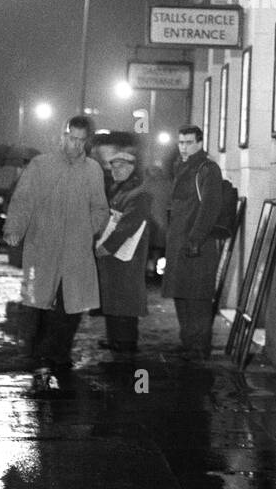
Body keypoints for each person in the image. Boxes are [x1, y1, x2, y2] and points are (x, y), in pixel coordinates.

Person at [3, 115, 108, 387]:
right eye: (70, 137)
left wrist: (89, 228)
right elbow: (23, 199)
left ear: (87, 142)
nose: (74, 144)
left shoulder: (93, 170)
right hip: (43, 247)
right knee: (39, 304)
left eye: (80, 140)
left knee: (70, 306)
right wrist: (14, 228)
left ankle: (59, 354)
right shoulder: (41, 165)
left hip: (75, 250)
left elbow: (100, 207)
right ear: (63, 135)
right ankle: (41, 357)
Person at [163, 125, 224, 361]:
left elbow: (210, 206)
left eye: (189, 142)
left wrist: (196, 238)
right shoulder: (182, 167)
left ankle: (200, 345)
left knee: (197, 297)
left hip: (197, 243)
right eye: (181, 142)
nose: (184, 147)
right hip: (180, 242)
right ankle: (188, 342)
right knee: (182, 294)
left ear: (199, 143)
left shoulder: (207, 169)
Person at [94, 149, 150, 352]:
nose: (115, 171)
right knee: (114, 298)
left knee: (125, 300)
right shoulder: (119, 190)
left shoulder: (138, 194)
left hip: (127, 256)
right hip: (116, 256)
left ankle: (125, 341)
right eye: (113, 167)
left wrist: (106, 247)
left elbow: (127, 225)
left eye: (121, 167)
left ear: (132, 169)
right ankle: (114, 337)